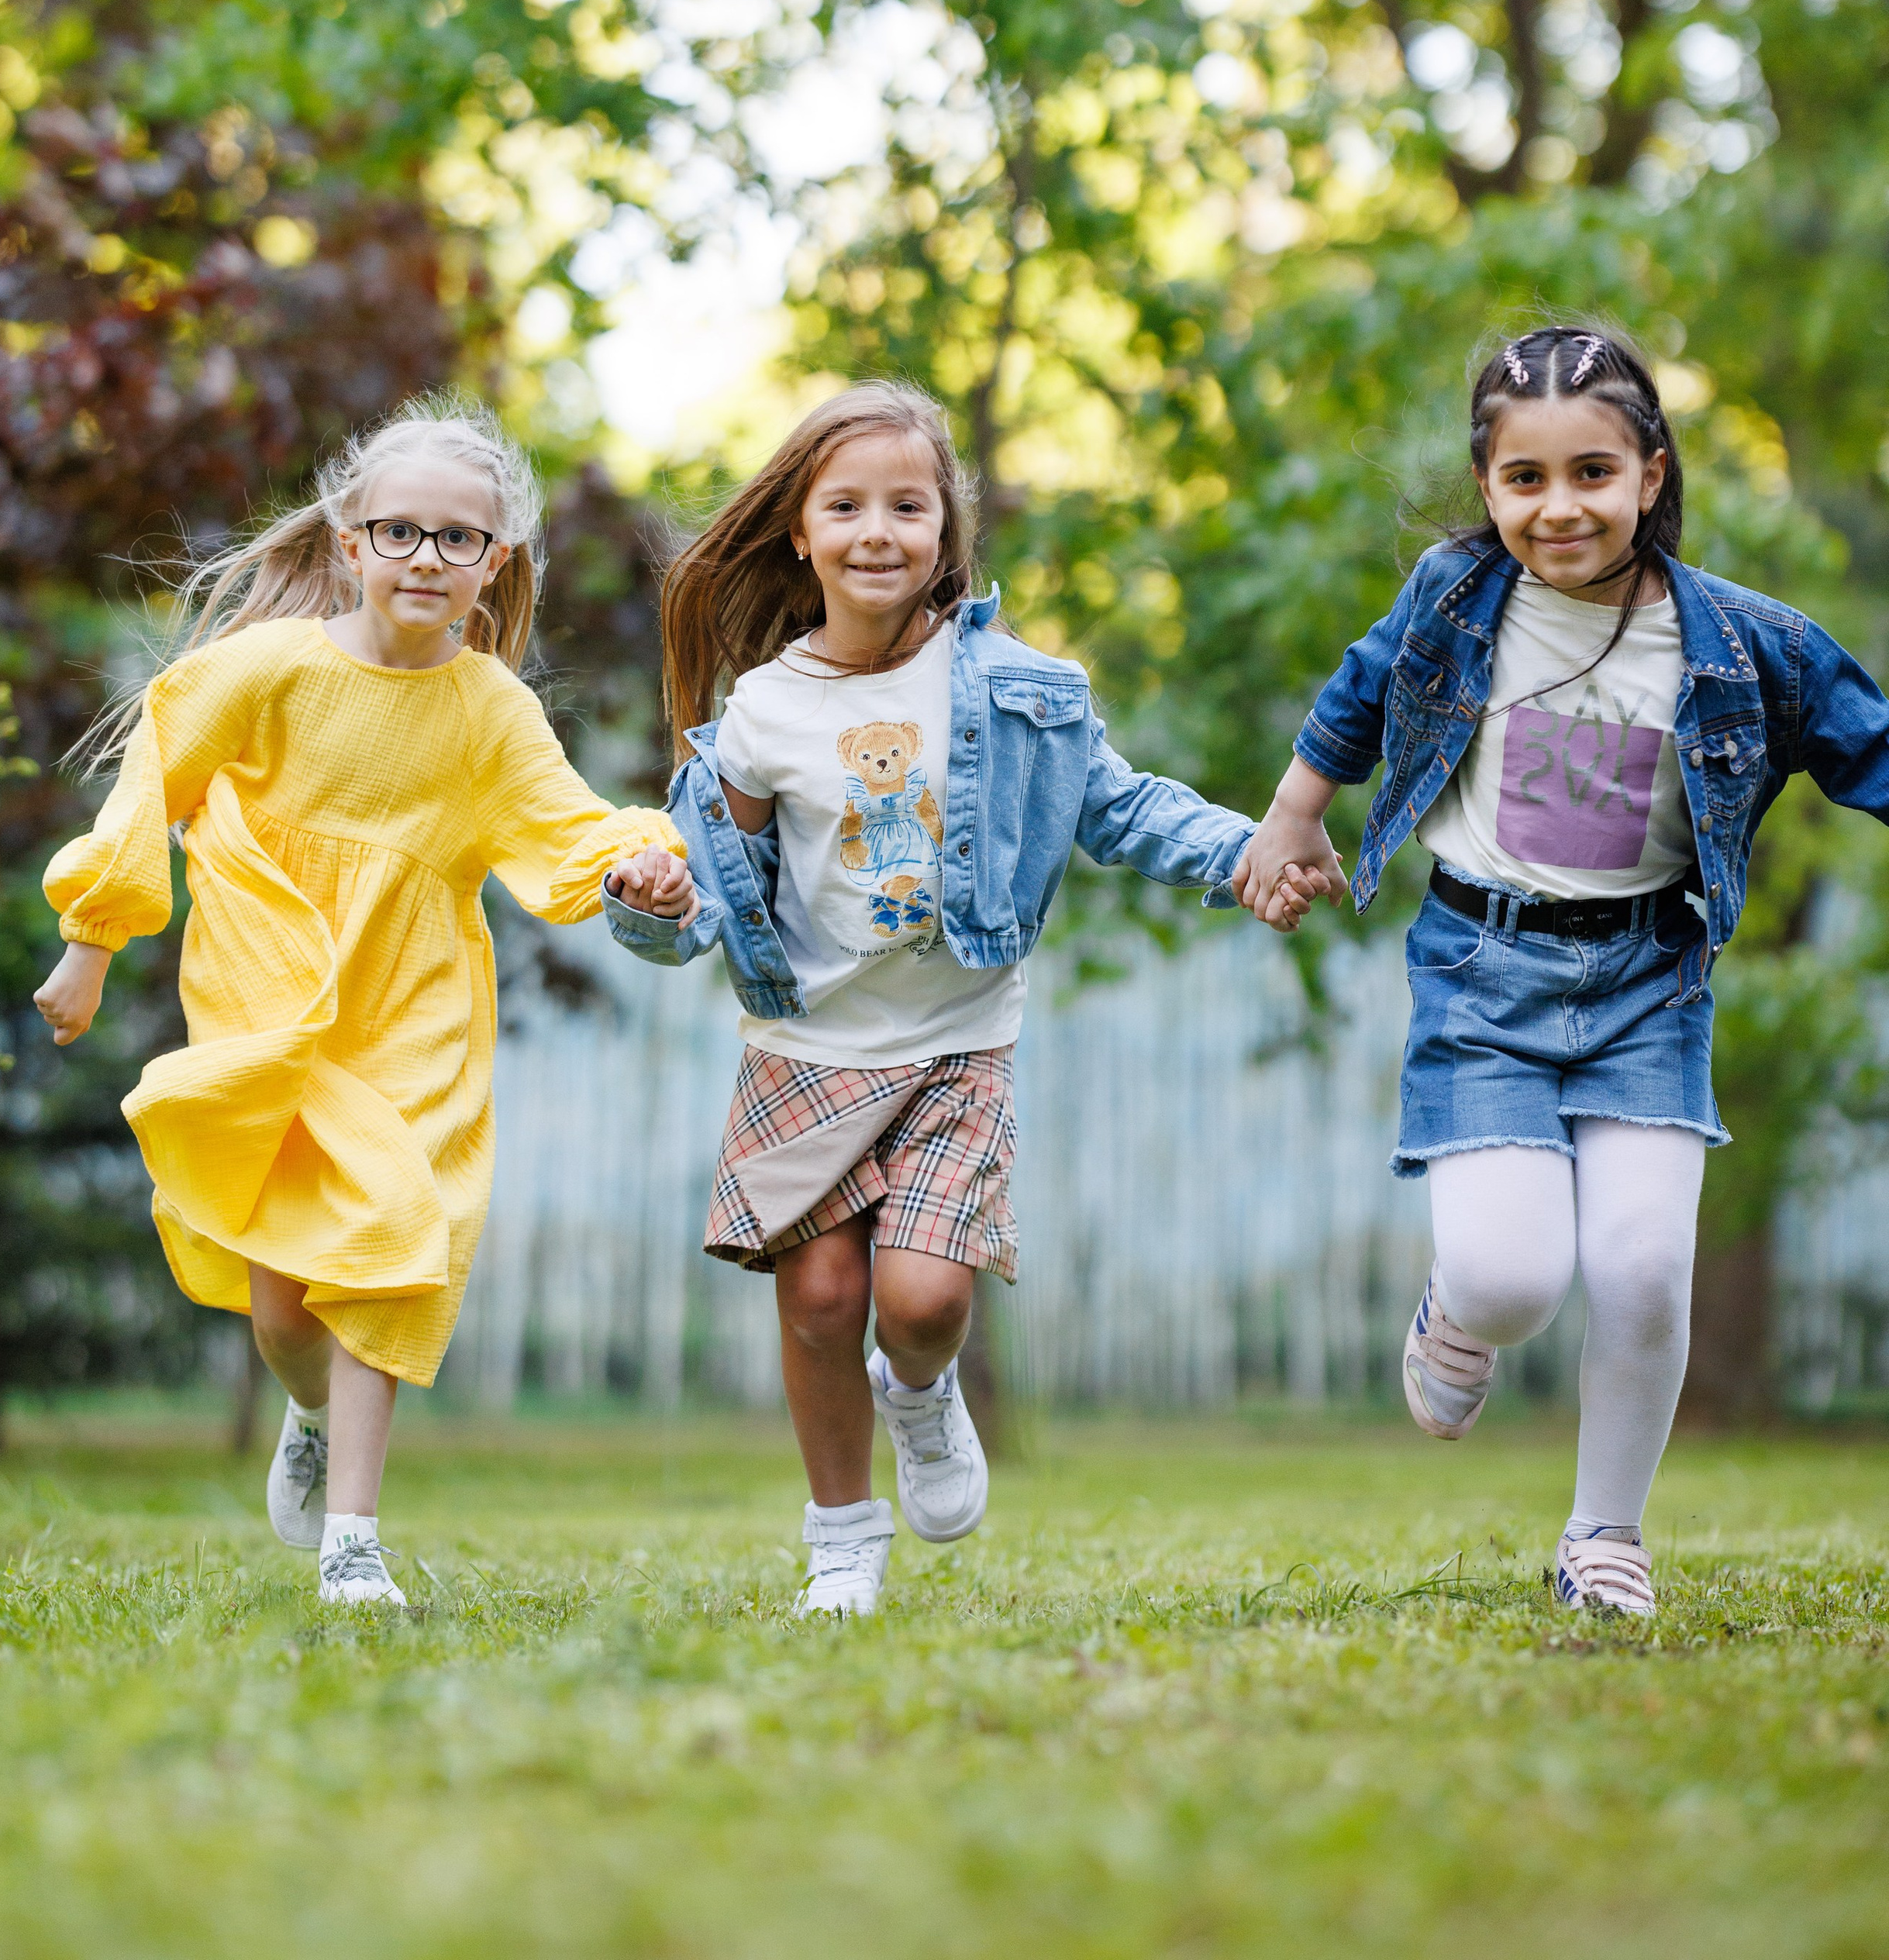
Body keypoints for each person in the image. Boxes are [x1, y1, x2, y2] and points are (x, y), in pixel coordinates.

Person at [1236, 322, 1889, 1617]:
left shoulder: (1747, 644)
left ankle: (1606, 1537)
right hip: (1485, 974)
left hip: (1651, 982)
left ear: (1652, 472)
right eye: (1525, 479)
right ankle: (1459, 1317)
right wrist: (1293, 813)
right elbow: (1361, 693)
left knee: (1644, 1266)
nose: (1561, 507)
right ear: (1488, 487)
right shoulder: (1455, 594)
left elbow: (1870, 742)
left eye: (1594, 472)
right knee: (1512, 1279)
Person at [606, 381, 1289, 1618]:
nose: (880, 530)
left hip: (958, 1040)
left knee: (922, 1303)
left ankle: (919, 1397)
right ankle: (839, 1538)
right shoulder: (762, 713)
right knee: (818, 1297)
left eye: (908, 505)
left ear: (946, 529)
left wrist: (1249, 852)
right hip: (808, 1046)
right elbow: (713, 895)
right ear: (800, 534)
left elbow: (1122, 808)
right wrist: (653, 899)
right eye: (847, 506)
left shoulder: (1022, 687)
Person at [34, 396, 695, 1607]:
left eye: (459, 540)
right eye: (402, 533)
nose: (428, 559)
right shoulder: (266, 672)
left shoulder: (492, 708)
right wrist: (93, 938)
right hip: (271, 1003)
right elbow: (154, 777)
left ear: (497, 563)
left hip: (415, 1013)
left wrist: (633, 862)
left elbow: (565, 831)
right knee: (286, 1308)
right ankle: (308, 1412)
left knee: (387, 1254)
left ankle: (354, 1546)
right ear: (352, 541)